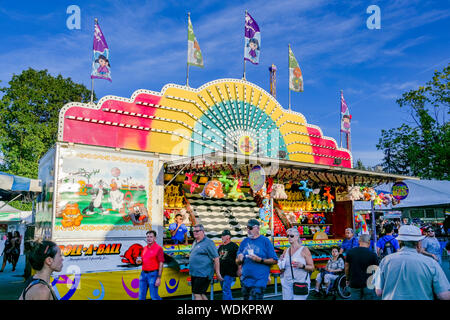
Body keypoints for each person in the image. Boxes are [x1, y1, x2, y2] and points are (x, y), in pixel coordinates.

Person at [374, 225, 450, 300]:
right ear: (418, 243)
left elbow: (379, 292)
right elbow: (444, 295)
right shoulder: (431, 263)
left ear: (399, 242)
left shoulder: (385, 261)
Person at [236, 219, 278, 300]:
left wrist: (260, 260)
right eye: (247, 228)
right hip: (245, 280)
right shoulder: (244, 241)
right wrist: (239, 259)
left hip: (259, 280)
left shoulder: (265, 241)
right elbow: (237, 261)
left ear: (257, 228)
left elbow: (274, 260)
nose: (248, 230)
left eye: (250, 228)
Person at [277, 227, 314, 300]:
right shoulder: (286, 251)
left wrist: (302, 266)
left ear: (297, 237)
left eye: (291, 236)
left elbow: (312, 267)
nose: (289, 238)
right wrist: (281, 262)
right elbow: (283, 269)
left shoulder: (304, 250)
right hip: (287, 283)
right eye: (288, 236)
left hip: (300, 282)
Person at [189, 224, 223, 300]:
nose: (195, 232)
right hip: (195, 273)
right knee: (200, 293)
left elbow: (216, 258)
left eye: (197, 231)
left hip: (203, 273)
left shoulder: (208, 242)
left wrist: (217, 273)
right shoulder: (195, 241)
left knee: (197, 294)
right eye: (193, 231)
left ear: (203, 231)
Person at [345, 234, 379, 300]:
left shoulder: (350, 252)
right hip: (368, 284)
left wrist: (347, 278)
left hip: (354, 282)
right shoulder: (372, 254)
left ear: (359, 241)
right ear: (369, 242)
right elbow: (377, 270)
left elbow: (346, 267)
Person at [136, 230, 164, 300]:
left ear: (155, 238)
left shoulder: (159, 249)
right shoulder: (144, 248)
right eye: (147, 237)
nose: (149, 238)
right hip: (143, 274)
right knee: (141, 296)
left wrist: (159, 278)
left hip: (153, 275)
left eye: (151, 237)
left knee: (154, 296)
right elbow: (143, 260)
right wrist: (138, 262)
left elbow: (161, 263)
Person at [217, 229, 239, 300]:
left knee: (226, 289)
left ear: (228, 236)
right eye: (221, 236)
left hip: (229, 272)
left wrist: (239, 269)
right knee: (225, 290)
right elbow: (217, 258)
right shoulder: (221, 247)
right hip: (221, 272)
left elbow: (239, 258)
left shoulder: (234, 246)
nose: (222, 237)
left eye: (223, 236)